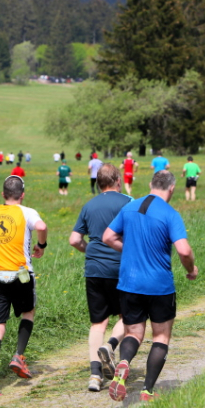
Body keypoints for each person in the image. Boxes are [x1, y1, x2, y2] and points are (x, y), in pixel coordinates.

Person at [103, 171, 198, 402]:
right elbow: (184, 250)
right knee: (161, 337)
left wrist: (129, 249)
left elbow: (108, 237)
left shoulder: (129, 207)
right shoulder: (170, 213)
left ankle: (124, 362)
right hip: (159, 286)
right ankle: (147, 390)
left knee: (133, 333)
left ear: (150, 184)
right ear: (172, 188)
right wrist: (191, 269)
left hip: (129, 283)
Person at [0, 175, 48, 398]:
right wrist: (41, 244)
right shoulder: (27, 212)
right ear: (22, 195)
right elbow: (42, 226)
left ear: (3, 194)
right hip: (21, 274)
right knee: (28, 311)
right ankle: (18, 355)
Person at [69, 164, 131, 392]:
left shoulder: (88, 205)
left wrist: (91, 251)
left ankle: (95, 375)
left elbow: (74, 240)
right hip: (121, 268)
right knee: (128, 316)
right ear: (117, 180)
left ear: (98, 183)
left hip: (94, 269)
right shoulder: (128, 202)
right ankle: (110, 347)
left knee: (98, 323)